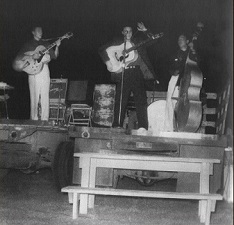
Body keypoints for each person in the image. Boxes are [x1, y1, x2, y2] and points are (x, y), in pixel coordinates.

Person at [98, 22, 158, 132]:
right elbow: (102, 49)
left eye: (130, 31)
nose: (128, 33)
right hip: (122, 72)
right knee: (120, 99)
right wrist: (108, 63)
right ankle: (117, 125)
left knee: (141, 100)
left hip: (136, 72)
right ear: (122, 32)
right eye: (126, 31)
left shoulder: (138, 41)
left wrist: (145, 30)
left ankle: (143, 127)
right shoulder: (117, 42)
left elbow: (154, 40)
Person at [12, 26, 61, 121]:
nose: (40, 32)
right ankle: (34, 119)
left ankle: (45, 119)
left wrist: (57, 46)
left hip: (44, 69)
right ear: (33, 32)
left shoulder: (45, 43)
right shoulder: (28, 44)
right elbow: (19, 57)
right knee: (34, 96)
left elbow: (55, 56)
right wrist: (32, 55)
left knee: (45, 95)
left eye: (41, 31)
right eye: (38, 31)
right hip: (33, 70)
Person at [164, 32, 201, 132]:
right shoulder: (174, 53)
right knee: (170, 102)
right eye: (178, 39)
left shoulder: (191, 53)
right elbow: (168, 67)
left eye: (182, 39)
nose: (179, 41)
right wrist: (173, 71)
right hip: (176, 80)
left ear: (188, 41)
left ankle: (183, 126)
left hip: (188, 83)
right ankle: (170, 128)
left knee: (182, 105)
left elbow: (198, 62)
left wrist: (193, 49)